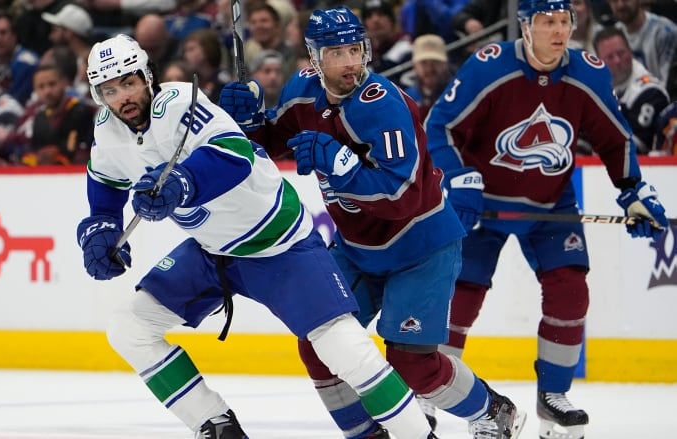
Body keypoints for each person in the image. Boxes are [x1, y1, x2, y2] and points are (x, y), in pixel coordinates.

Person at [78, 33, 439, 439]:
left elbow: (235, 153)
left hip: (278, 242)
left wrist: (182, 184)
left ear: (147, 77)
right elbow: (105, 183)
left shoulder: (179, 103)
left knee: (344, 349)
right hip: (214, 252)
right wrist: (101, 228)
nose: (122, 96)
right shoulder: (107, 128)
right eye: (109, 90)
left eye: (129, 82)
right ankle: (216, 426)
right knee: (130, 327)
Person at [219, 7, 525, 439]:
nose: (349, 63)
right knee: (318, 348)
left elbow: (402, 198)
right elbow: (271, 145)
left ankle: (492, 411)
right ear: (313, 56)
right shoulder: (302, 90)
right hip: (357, 247)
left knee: (412, 365)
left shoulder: (385, 105)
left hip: (420, 247)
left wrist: (341, 164)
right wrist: (247, 124)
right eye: (336, 52)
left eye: (354, 50)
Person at [423, 0, 670, 438]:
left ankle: (552, 396)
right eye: (546, 22)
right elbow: (439, 127)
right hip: (482, 205)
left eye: (564, 22)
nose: (558, 32)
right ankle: (430, 392)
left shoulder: (588, 71)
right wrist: (459, 179)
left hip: (551, 206)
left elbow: (616, 139)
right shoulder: (489, 66)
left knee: (571, 292)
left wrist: (633, 189)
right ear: (524, 26)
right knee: (459, 296)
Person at [593, 26, 670, 154]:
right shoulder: (591, 88)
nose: (617, 60)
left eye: (621, 53)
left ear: (631, 52)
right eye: (610, 57)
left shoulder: (651, 93)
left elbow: (632, 149)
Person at [607, 0, 677, 99]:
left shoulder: (665, 33)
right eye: (614, 1)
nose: (620, 5)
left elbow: (668, 89)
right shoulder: (613, 35)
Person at [402, 34, 456, 124]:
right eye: (424, 63)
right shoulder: (408, 97)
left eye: (435, 62)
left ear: (445, 64)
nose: (429, 69)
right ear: (415, 66)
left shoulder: (457, 91)